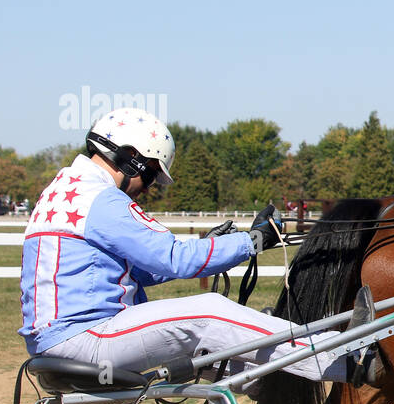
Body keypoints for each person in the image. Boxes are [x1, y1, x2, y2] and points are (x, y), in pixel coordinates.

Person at [18, 107, 349, 388]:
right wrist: (254, 241)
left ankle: (277, 394)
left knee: (217, 354)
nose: (148, 188)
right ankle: (343, 356)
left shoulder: (63, 191)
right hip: (86, 340)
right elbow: (174, 259)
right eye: (150, 175)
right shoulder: (99, 199)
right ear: (130, 157)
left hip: (62, 343)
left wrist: (209, 247)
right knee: (209, 313)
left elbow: (143, 271)